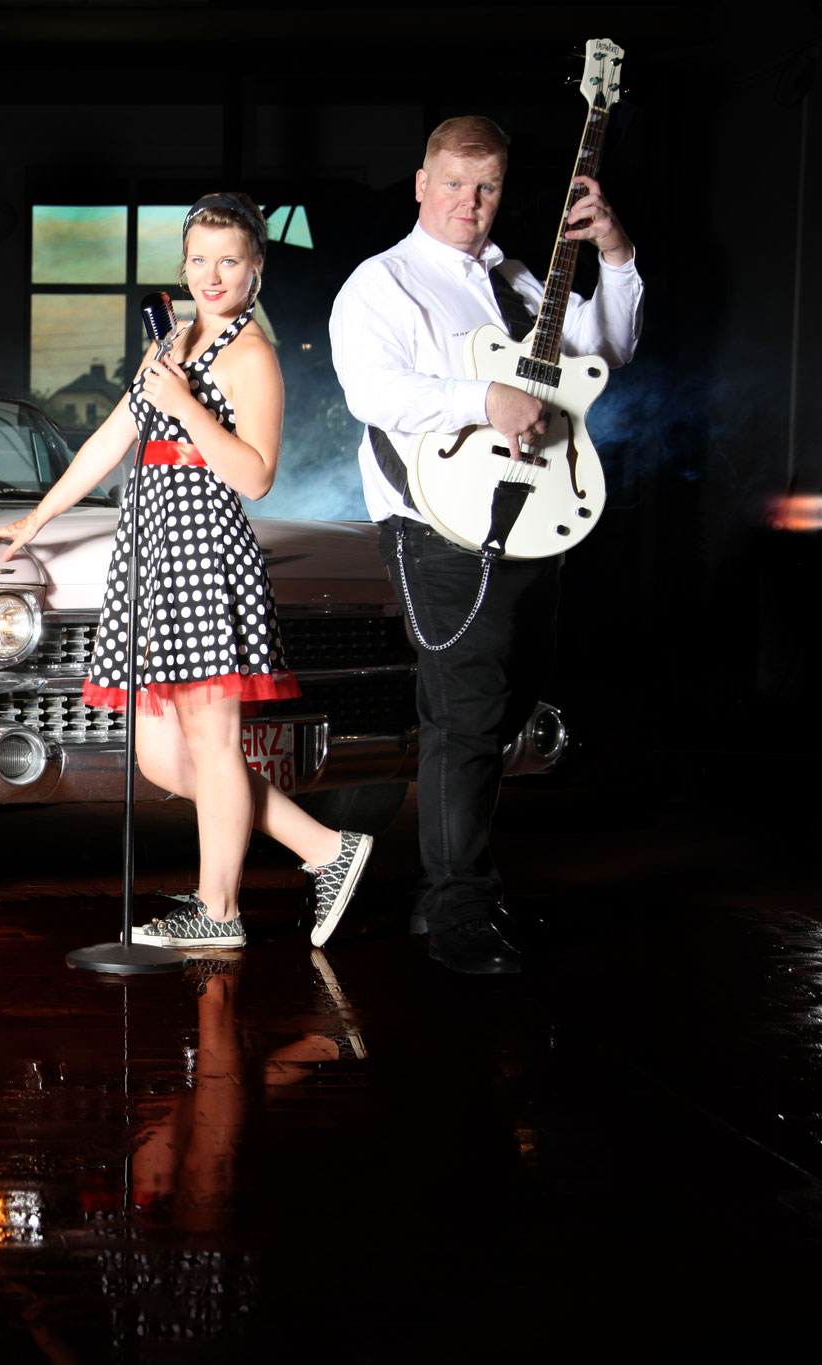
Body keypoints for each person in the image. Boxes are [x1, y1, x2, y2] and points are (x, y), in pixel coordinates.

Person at [0, 194, 372, 949]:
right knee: (162, 755)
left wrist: (186, 405)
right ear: (183, 268)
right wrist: (34, 520)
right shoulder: (172, 344)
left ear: (256, 268)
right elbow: (109, 440)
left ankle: (219, 911)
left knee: (213, 747)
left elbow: (256, 476)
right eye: (199, 261)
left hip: (204, 556)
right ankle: (325, 847)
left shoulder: (252, 355)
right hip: (152, 555)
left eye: (229, 260)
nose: (211, 276)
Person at [328, 115, 640, 974]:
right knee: (465, 708)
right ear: (421, 185)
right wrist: (484, 398)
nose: (470, 202)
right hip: (434, 520)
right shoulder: (382, 283)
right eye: (455, 184)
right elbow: (373, 391)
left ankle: (448, 886)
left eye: (488, 186)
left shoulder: (515, 280)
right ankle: (456, 907)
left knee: (509, 699)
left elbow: (605, 349)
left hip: (533, 514)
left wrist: (615, 255)